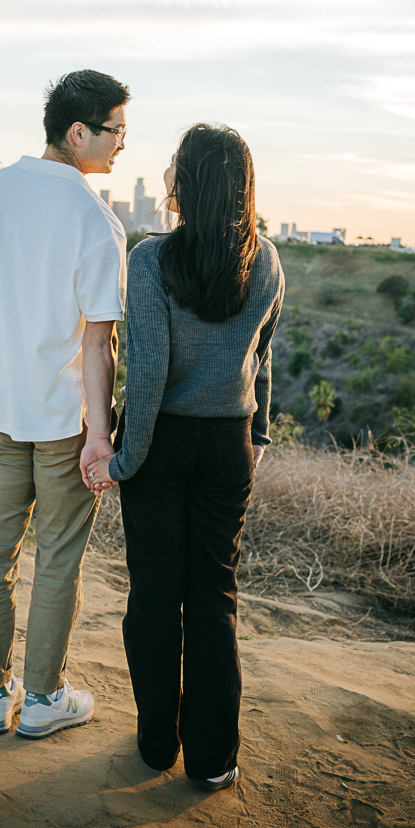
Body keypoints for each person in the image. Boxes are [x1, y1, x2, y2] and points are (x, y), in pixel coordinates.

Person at [86, 124, 284, 790]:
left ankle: (155, 747)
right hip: (226, 446)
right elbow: (262, 362)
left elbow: (144, 377)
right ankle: (211, 760)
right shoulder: (268, 263)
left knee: (155, 597)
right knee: (214, 600)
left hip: (162, 444)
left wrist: (122, 461)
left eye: (173, 165)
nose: (164, 173)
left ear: (189, 184)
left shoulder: (150, 261)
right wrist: (255, 439)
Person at [0, 69, 129, 738]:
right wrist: (99, 437)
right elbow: (100, 344)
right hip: (59, 417)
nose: (122, 145)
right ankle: (45, 699)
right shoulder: (94, 219)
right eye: (116, 131)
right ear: (78, 131)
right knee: (57, 555)